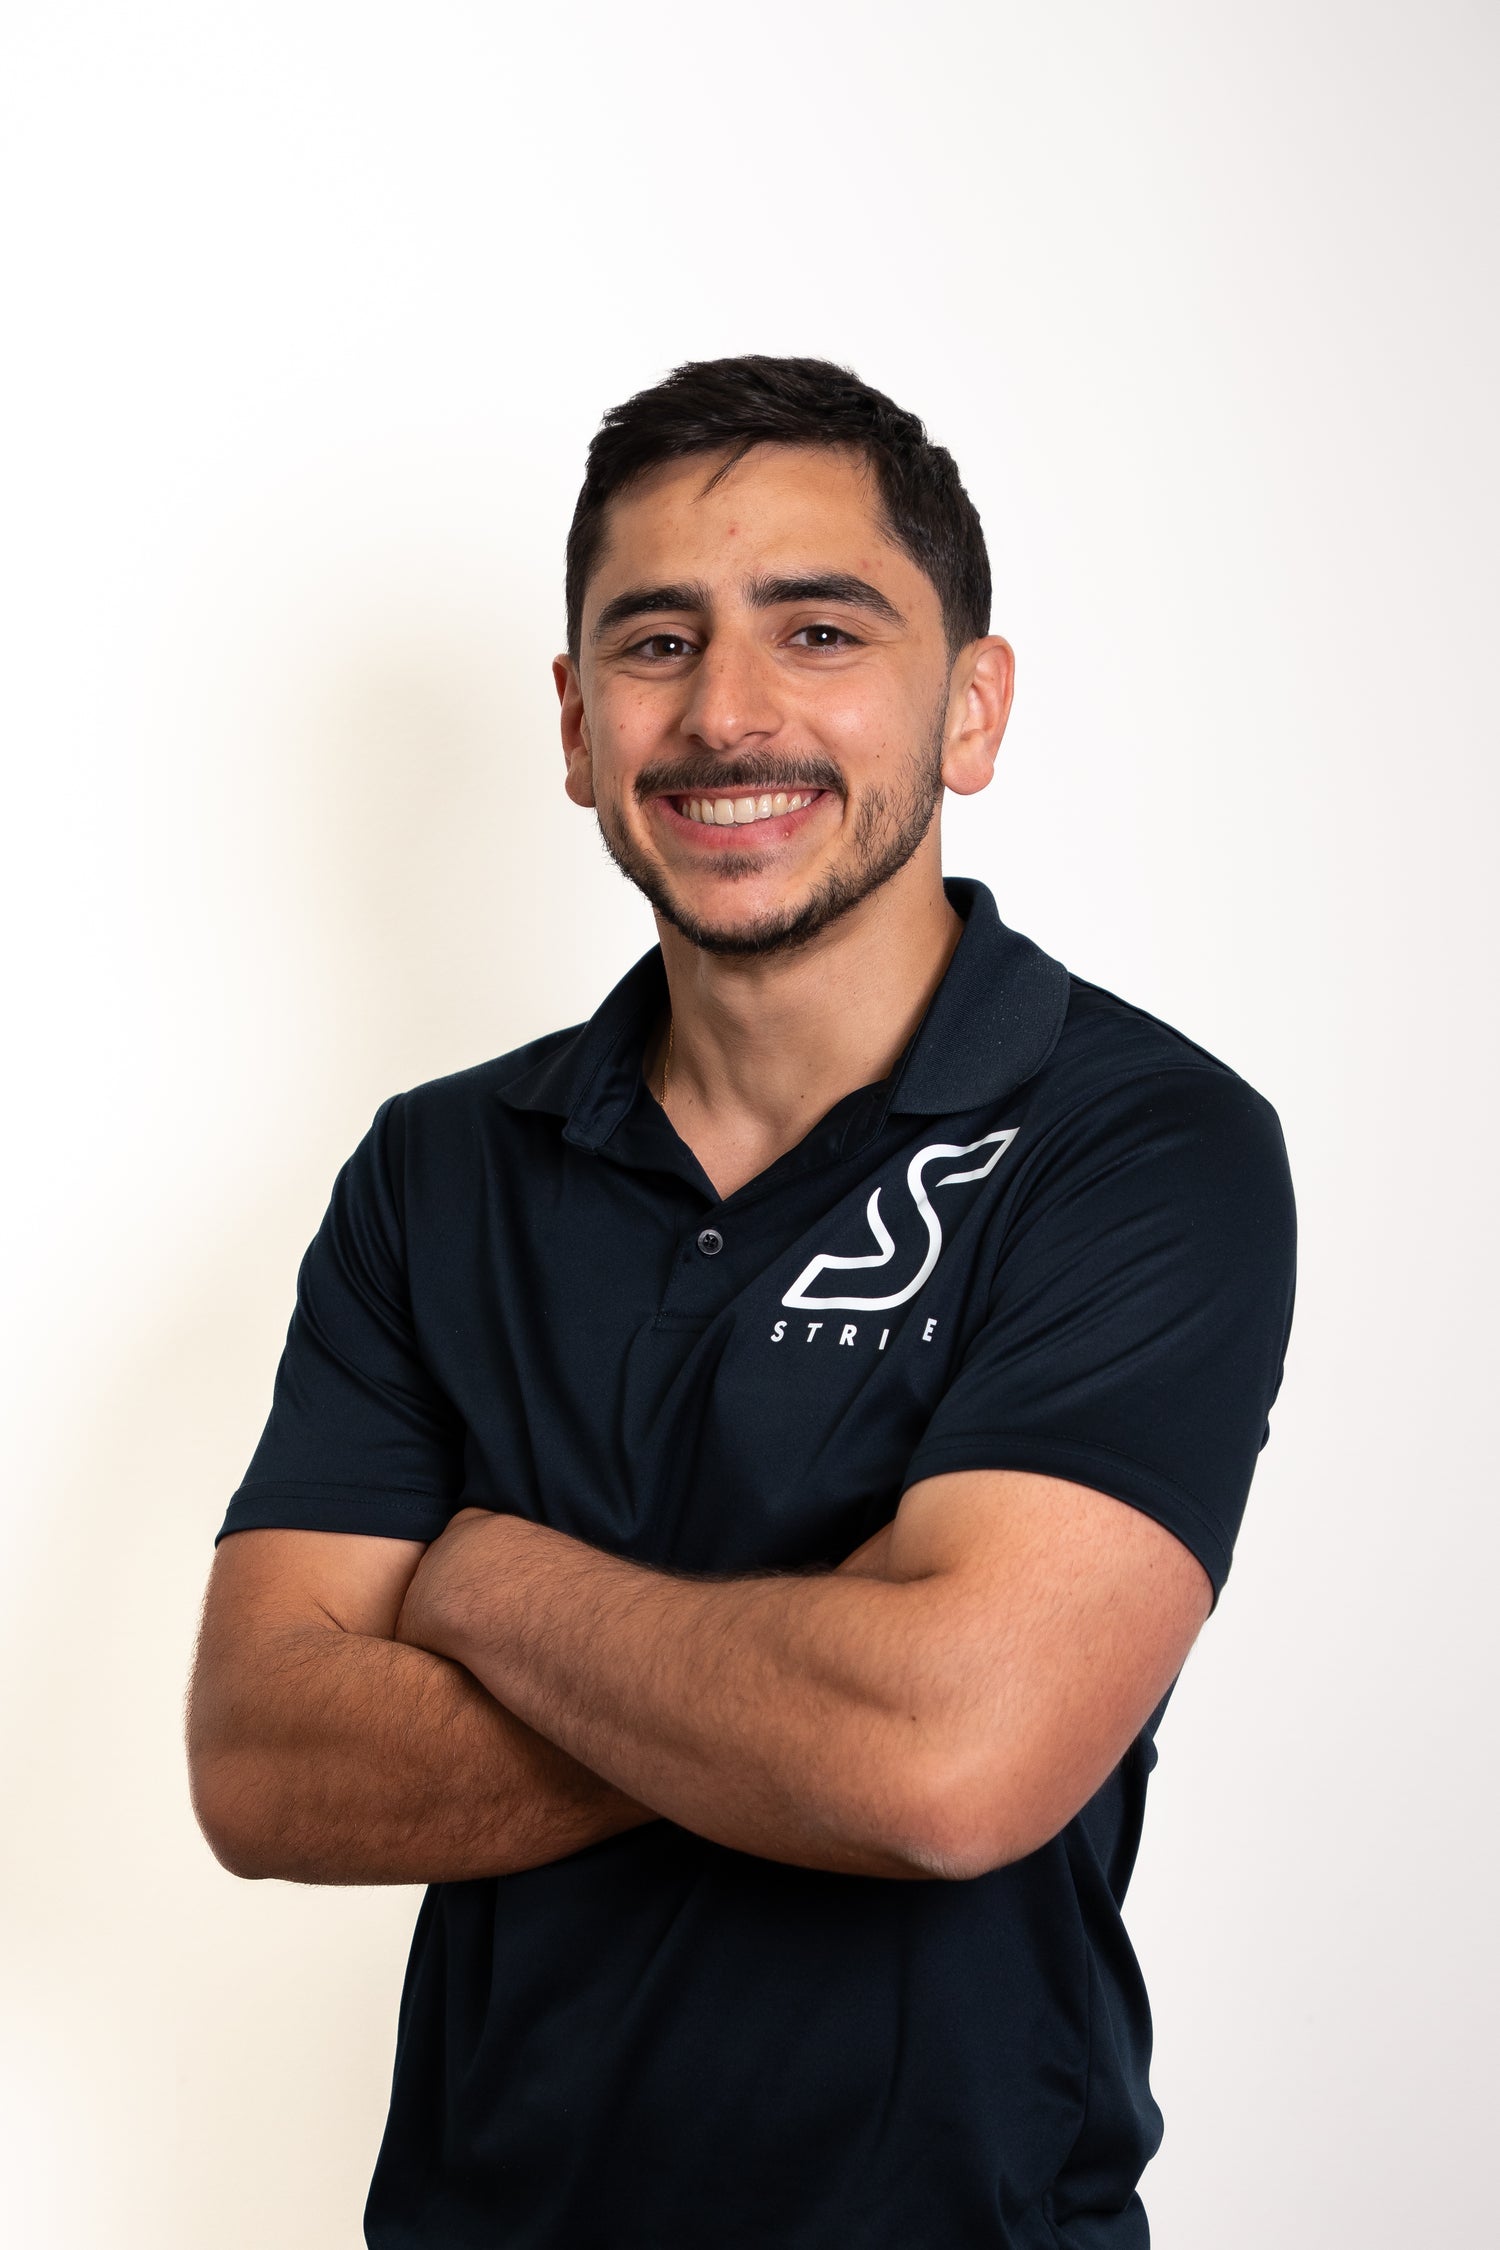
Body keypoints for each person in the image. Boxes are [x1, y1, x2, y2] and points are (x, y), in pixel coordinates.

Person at [187, 355, 1296, 2249]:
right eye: (656, 641)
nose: (726, 710)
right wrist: (815, 1674)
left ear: (971, 705)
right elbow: (264, 1762)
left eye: (821, 630)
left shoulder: (1139, 1144)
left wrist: (487, 1582)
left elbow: (947, 1759)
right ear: (574, 723)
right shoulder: (437, 1169)